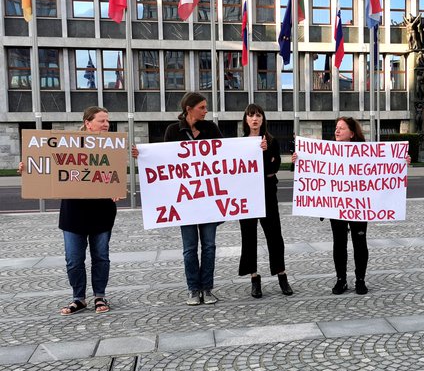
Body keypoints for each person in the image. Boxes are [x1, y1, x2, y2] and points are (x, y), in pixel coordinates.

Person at [292, 117, 411, 295]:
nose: (337, 131)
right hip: (337, 206)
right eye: (336, 128)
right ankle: (341, 280)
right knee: (339, 243)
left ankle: (360, 280)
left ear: (352, 133)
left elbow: (384, 165)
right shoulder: (327, 152)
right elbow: (313, 170)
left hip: (359, 206)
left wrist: (402, 161)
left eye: (341, 128)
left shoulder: (365, 153)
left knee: (359, 242)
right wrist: (298, 160)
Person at [19, 107, 118, 315]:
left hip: (102, 212)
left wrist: (116, 188)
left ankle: (100, 296)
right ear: (87, 122)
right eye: (102, 121)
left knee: (101, 257)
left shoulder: (112, 147)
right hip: (74, 213)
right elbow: (47, 167)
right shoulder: (69, 143)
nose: (106, 124)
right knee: (73, 258)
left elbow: (114, 175)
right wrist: (28, 168)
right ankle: (78, 298)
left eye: (107, 121)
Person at [134, 92, 222, 306]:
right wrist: (144, 155)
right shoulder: (173, 131)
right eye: (202, 107)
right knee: (190, 247)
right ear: (189, 108)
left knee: (209, 246)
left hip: (208, 198)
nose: (206, 110)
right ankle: (193, 289)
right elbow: (165, 161)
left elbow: (224, 156)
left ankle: (207, 288)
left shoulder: (211, 129)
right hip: (186, 201)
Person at [238, 104, 293, 298]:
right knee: (249, 235)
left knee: (274, 235)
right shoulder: (239, 143)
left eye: (258, 115)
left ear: (263, 119)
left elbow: (274, 167)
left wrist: (264, 152)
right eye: (251, 115)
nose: (255, 119)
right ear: (246, 120)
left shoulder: (271, 141)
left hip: (268, 194)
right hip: (246, 195)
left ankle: (282, 275)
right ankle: (254, 278)